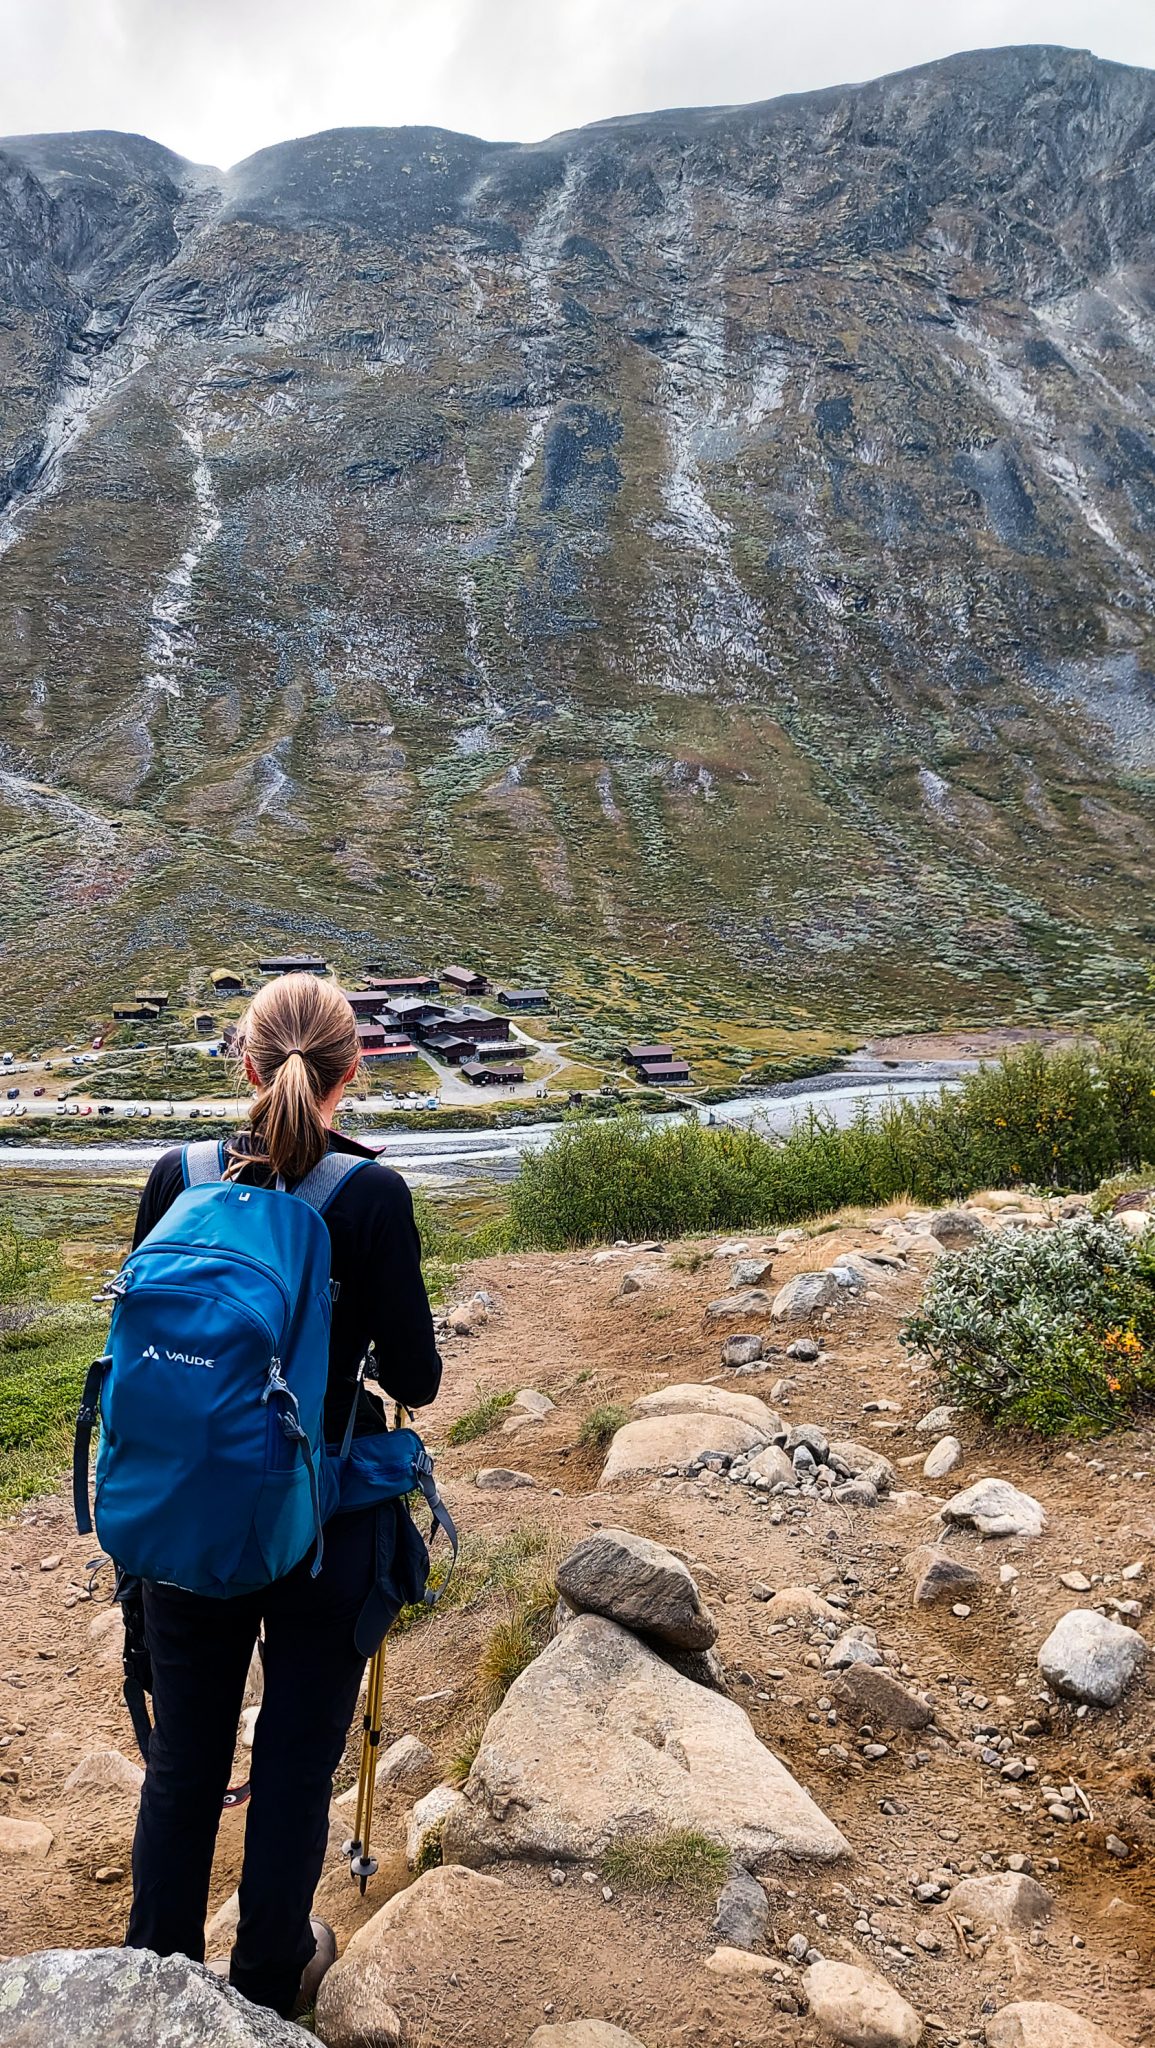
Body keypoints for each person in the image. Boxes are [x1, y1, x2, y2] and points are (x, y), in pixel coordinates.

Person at [124, 973, 442, 2016]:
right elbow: (419, 1377)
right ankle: (266, 1983)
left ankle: (156, 1977)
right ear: (352, 1072)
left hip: (188, 1517)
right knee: (297, 1762)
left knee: (184, 1763)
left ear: (247, 1064)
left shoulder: (175, 1174)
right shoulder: (372, 1196)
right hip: (328, 1524)